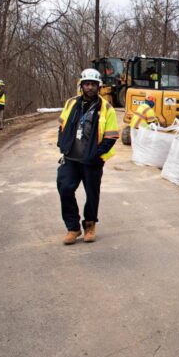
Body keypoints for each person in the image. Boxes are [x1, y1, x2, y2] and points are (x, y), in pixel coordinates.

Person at [56, 68, 119, 245]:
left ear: (98, 87)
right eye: (86, 84)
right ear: (81, 85)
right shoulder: (70, 104)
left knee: (92, 195)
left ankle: (90, 226)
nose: (89, 87)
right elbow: (61, 126)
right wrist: (62, 144)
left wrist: (95, 156)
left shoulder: (107, 109)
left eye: (93, 84)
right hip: (71, 159)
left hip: (91, 162)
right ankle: (73, 228)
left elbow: (111, 136)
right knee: (65, 188)